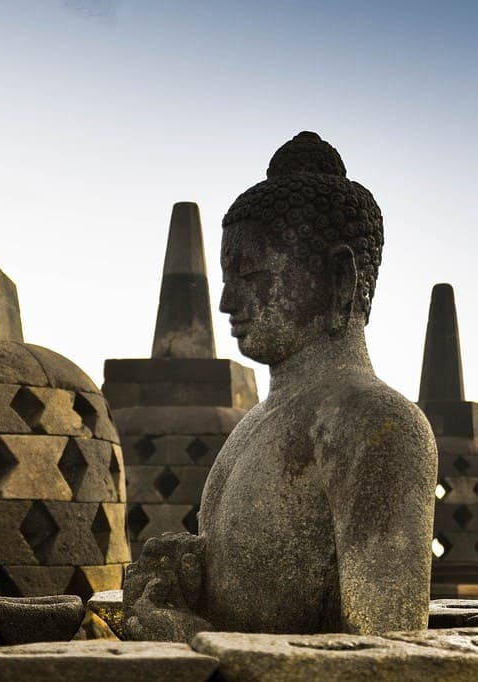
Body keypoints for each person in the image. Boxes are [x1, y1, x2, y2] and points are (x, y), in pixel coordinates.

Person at [124, 132, 437, 640]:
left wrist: (186, 638)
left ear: (339, 277)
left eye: (249, 273)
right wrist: (186, 586)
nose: (227, 301)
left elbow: (387, 658)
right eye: (226, 276)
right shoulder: (255, 424)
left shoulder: (376, 424)